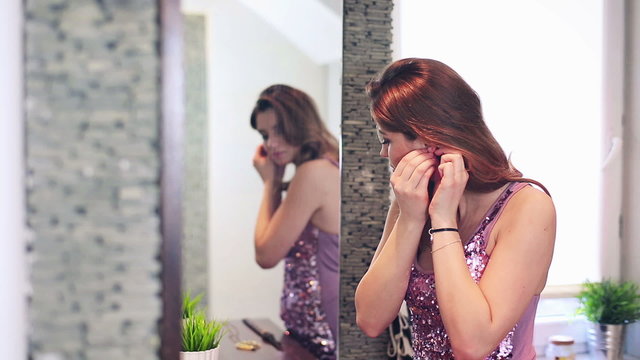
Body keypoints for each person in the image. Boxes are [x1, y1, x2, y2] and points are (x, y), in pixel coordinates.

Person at [354, 58, 556, 360]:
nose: (384, 152)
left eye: (386, 139)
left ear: (427, 140)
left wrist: (443, 220)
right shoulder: (410, 202)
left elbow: (473, 344)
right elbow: (370, 319)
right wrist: (410, 219)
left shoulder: (528, 207)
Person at [250, 84, 340, 359]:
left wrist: (271, 184)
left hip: (323, 330)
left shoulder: (313, 173)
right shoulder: (321, 167)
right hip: (307, 330)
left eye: (279, 130)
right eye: (265, 135)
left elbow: (266, 254)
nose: (271, 143)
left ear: (301, 124)